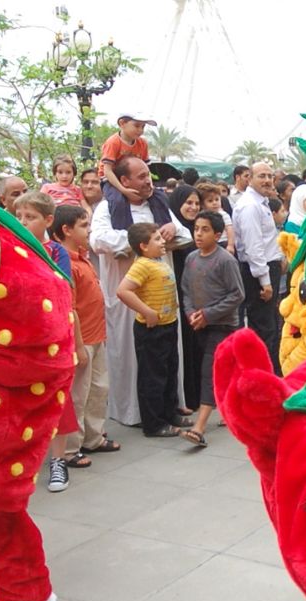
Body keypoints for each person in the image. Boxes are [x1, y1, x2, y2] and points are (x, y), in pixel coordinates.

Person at [89, 156, 192, 427]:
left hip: (162, 299)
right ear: (124, 181)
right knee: (134, 359)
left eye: (148, 175)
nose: (148, 181)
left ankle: (168, 409)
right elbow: (98, 239)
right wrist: (144, 241)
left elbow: (183, 235)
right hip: (128, 297)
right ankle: (135, 413)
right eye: (141, 176)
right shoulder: (108, 207)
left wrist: (169, 229)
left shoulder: (159, 204)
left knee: (166, 361)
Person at [14, 192, 84, 492]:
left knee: (59, 397)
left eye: (30, 217)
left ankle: (58, 461)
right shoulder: (10, 249)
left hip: (51, 333)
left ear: (48, 220)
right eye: (19, 216)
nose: (23, 222)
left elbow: (65, 291)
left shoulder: (56, 252)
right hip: (18, 335)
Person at [49, 205, 116, 468]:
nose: (88, 231)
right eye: (84, 226)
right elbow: (70, 307)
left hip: (96, 335)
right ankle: (70, 448)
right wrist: (77, 345)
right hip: (82, 340)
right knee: (79, 393)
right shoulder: (64, 261)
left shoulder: (82, 258)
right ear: (65, 230)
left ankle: (93, 437)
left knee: (98, 389)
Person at [116, 222, 190, 437]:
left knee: (168, 371)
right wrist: (147, 311)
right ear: (143, 246)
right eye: (156, 239)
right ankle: (154, 423)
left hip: (168, 325)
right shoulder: (142, 265)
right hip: (152, 330)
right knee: (153, 377)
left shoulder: (157, 261)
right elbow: (123, 291)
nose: (162, 241)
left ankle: (170, 413)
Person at [180, 210, 245, 448]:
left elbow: (237, 294)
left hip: (222, 325)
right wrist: (191, 314)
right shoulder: (191, 258)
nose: (199, 234)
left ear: (218, 234)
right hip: (198, 323)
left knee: (210, 372)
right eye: (196, 228)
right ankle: (235, 409)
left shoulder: (226, 260)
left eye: (205, 229)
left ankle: (199, 428)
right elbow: (186, 290)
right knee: (223, 371)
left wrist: (208, 314)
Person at [235, 161, 285, 374]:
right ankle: (262, 377)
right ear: (250, 178)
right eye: (261, 176)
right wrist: (264, 281)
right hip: (257, 275)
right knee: (263, 330)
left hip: (267, 270)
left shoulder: (262, 202)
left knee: (269, 328)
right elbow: (253, 246)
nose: (267, 180)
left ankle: (269, 376)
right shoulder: (250, 206)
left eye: (269, 176)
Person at [169, 184, 203, 413]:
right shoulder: (173, 235)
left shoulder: (200, 230)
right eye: (188, 203)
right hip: (179, 296)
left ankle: (198, 395)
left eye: (196, 204)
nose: (193, 208)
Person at [100, 114, 154, 202]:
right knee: (117, 200)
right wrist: (123, 190)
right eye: (136, 126)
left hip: (133, 179)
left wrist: (150, 185)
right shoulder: (113, 142)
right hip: (111, 180)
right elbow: (107, 171)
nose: (140, 130)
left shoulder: (142, 143)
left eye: (143, 127)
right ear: (122, 123)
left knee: (158, 197)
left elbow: (146, 169)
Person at [196, 181, 235, 253]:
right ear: (202, 204)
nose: (215, 203)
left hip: (223, 243)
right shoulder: (202, 217)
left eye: (217, 199)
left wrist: (230, 245)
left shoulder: (223, 214)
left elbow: (229, 229)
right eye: (210, 201)